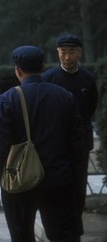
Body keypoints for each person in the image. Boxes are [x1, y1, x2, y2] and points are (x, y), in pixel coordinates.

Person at [0, 46, 86, 241]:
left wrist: (5, 180)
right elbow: (78, 147)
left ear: (17, 70)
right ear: (42, 67)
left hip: (20, 181)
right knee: (63, 236)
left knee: (22, 235)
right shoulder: (65, 96)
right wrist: (72, 179)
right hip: (58, 180)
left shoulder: (8, 99)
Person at [41, 34, 98, 239]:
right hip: (55, 143)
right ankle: (58, 230)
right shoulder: (48, 78)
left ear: (79, 53)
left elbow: (90, 107)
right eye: (63, 52)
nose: (67, 56)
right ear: (57, 53)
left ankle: (76, 227)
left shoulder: (87, 79)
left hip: (80, 143)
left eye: (71, 51)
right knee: (56, 187)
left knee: (78, 186)